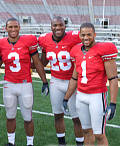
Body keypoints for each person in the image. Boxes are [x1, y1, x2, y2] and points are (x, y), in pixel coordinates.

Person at [63, 22, 118, 146]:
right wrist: (66, 97)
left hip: (97, 96)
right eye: (83, 35)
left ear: (94, 34)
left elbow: (113, 78)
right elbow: (74, 78)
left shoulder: (104, 49)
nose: (86, 37)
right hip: (81, 95)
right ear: (80, 35)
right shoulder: (76, 50)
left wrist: (113, 103)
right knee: (86, 131)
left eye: (89, 34)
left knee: (99, 134)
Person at [0, 17, 49, 146]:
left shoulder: (28, 41)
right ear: (6, 29)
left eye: (15, 26)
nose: (13, 29)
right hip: (8, 84)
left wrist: (44, 81)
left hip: (25, 84)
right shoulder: (1, 44)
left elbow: (37, 62)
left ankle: (30, 143)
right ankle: (11, 142)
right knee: (10, 115)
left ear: (19, 28)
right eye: (10, 27)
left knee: (27, 117)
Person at [38, 16, 84, 146]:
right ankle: (61, 143)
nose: (58, 28)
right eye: (55, 25)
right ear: (51, 26)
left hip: (73, 82)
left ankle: (79, 143)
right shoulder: (44, 40)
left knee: (76, 117)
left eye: (60, 25)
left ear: (65, 26)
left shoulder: (75, 37)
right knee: (57, 115)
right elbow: (43, 61)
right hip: (55, 82)